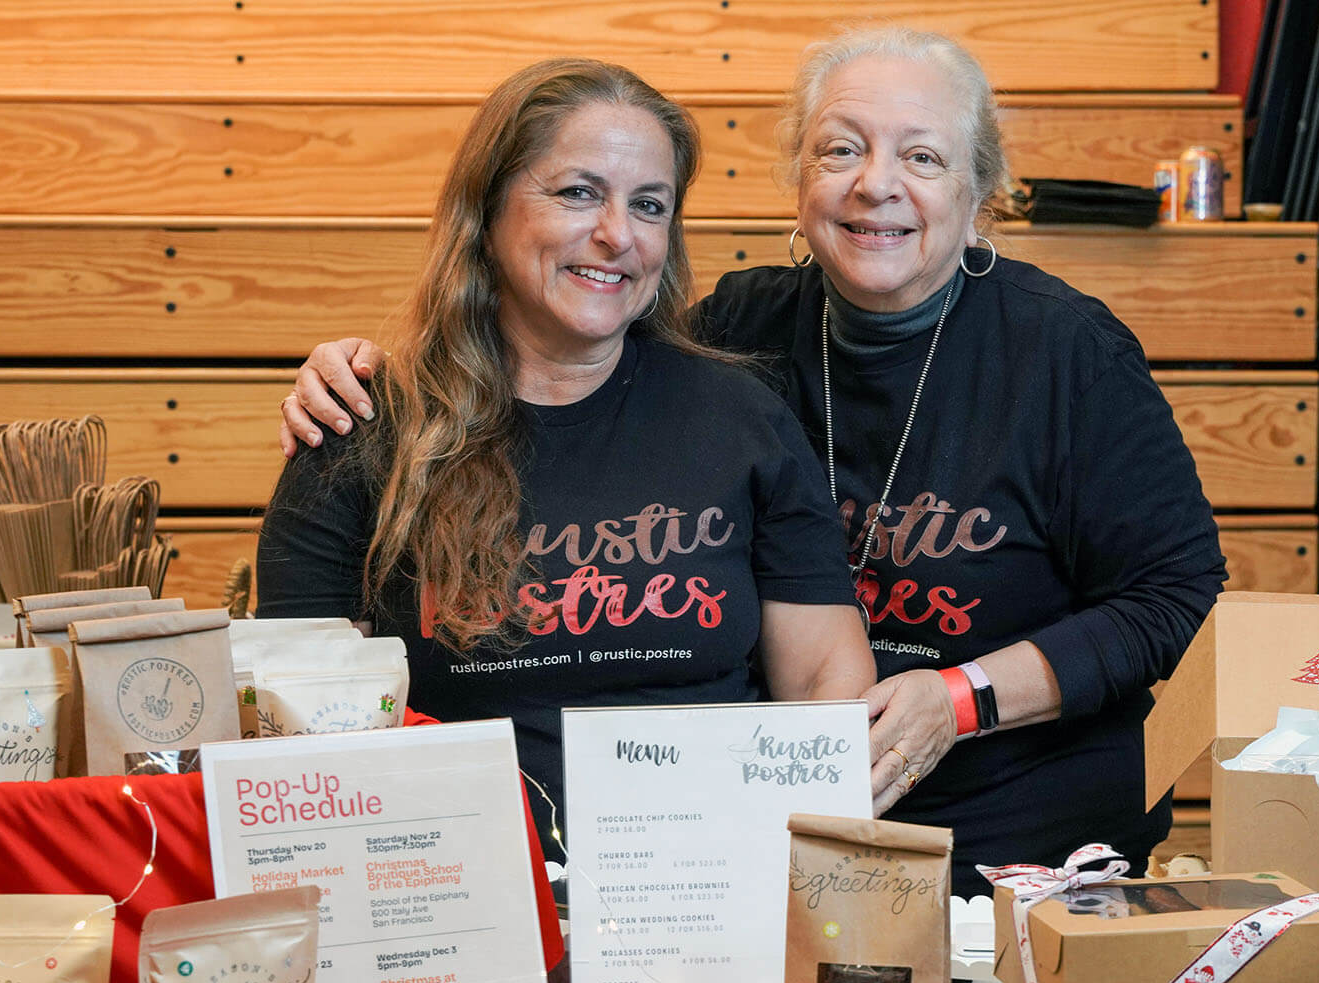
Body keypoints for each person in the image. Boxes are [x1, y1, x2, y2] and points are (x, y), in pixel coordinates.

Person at [279, 28, 1226, 895]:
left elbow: (1174, 596)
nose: (875, 183)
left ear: (981, 195)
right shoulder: (739, 337)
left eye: (923, 157)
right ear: (799, 180)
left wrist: (962, 698)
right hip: (750, 836)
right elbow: (563, 341)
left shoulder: (1066, 354)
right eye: (841, 148)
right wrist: (363, 376)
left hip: (1023, 816)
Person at [256, 58, 876, 860]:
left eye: (648, 205)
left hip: (705, 890)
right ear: (488, 209)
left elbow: (828, 680)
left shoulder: (745, 417)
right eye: (578, 192)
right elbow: (292, 731)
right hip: (456, 895)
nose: (617, 234)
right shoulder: (365, 427)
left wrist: (786, 872)